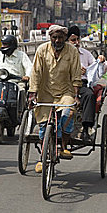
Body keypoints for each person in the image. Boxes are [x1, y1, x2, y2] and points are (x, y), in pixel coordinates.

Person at [28, 25, 82, 172]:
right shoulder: (41, 50)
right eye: (54, 37)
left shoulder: (72, 51)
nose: (57, 40)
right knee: (44, 125)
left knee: (68, 113)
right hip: (45, 92)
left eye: (60, 38)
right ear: (50, 38)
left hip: (65, 92)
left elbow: (76, 74)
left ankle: (62, 144)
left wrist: (76, 95)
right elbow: (36, 73)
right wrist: (32, 93)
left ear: (65, 38)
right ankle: (42, 157)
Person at [67, 26, 107, 142]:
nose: (76, 42)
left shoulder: (85, 54)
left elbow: (97, 69)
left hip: (81, 84)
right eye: (73, 40)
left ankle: (85, 128)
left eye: (78, 39)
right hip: (65, 85)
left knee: (89, 95)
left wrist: (100, 61)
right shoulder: (63, 54)